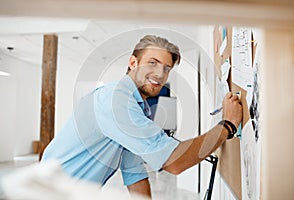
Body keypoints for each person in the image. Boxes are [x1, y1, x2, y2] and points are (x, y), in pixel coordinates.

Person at [41, 35, 242, 199]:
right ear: (133, 62)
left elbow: (134, 173)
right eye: (152, 63)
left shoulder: (138, 108)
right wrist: (228, 125)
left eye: (166, 68)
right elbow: (173, 161)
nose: (159, 73)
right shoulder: (115, 100)